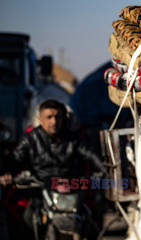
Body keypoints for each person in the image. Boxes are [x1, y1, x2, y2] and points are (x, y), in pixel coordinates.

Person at [0, 99, 105, 233]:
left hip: (70, 190)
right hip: (40, 190)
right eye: (49, 117)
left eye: (57, 117)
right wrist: (8, 173)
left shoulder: (74, 138)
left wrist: (101, 172)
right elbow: (16, 159)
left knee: (90, 223)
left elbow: (91, 155)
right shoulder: (30, 138)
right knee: (26, 225)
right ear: (41, 119)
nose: (54, 122)